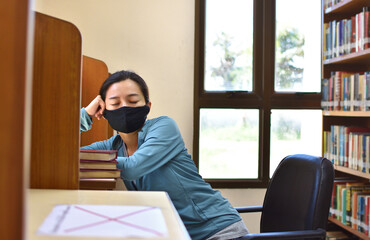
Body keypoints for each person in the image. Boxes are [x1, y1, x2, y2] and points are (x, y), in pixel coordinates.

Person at [80, 70, 248, 240]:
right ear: (104, 111)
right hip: (177, 235)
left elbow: (133, 167)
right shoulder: (113, 145)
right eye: (115, 103)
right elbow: (66, 156)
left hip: (218, 231)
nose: (124, 107)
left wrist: (92, 160)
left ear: (147, 106)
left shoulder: (164, 126)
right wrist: (85, 115)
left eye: (132, 101)